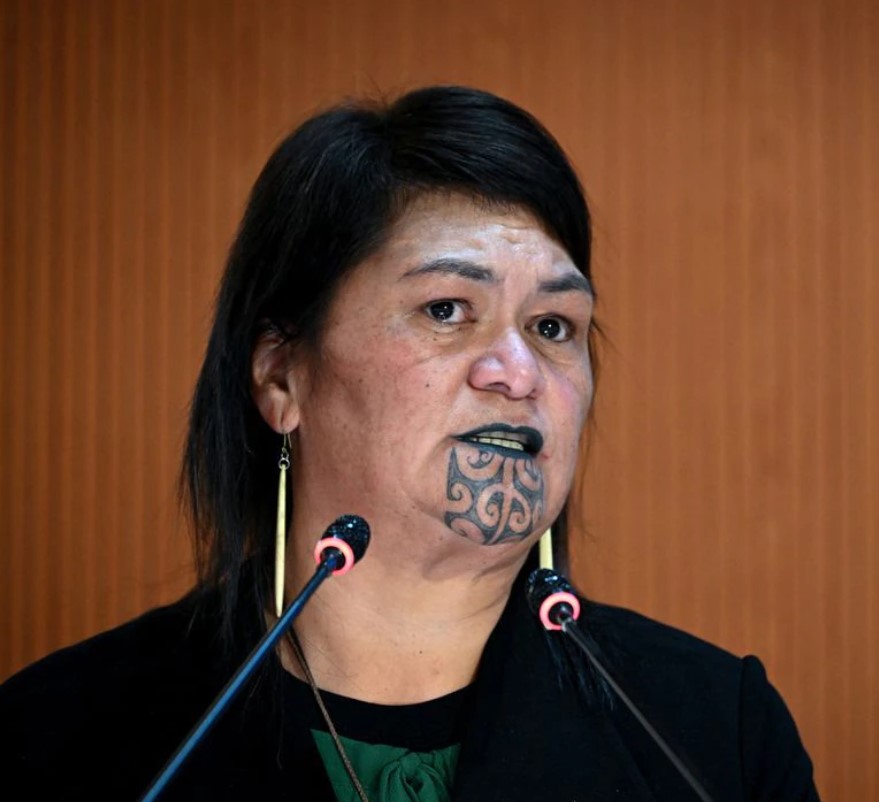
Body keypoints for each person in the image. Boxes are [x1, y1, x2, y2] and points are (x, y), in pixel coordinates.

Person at [0, 86, 818, 801]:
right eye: (446, 310)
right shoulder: (61, 735)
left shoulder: (717, 733)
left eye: (553, 326)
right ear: (282, 379)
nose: (518, 372)